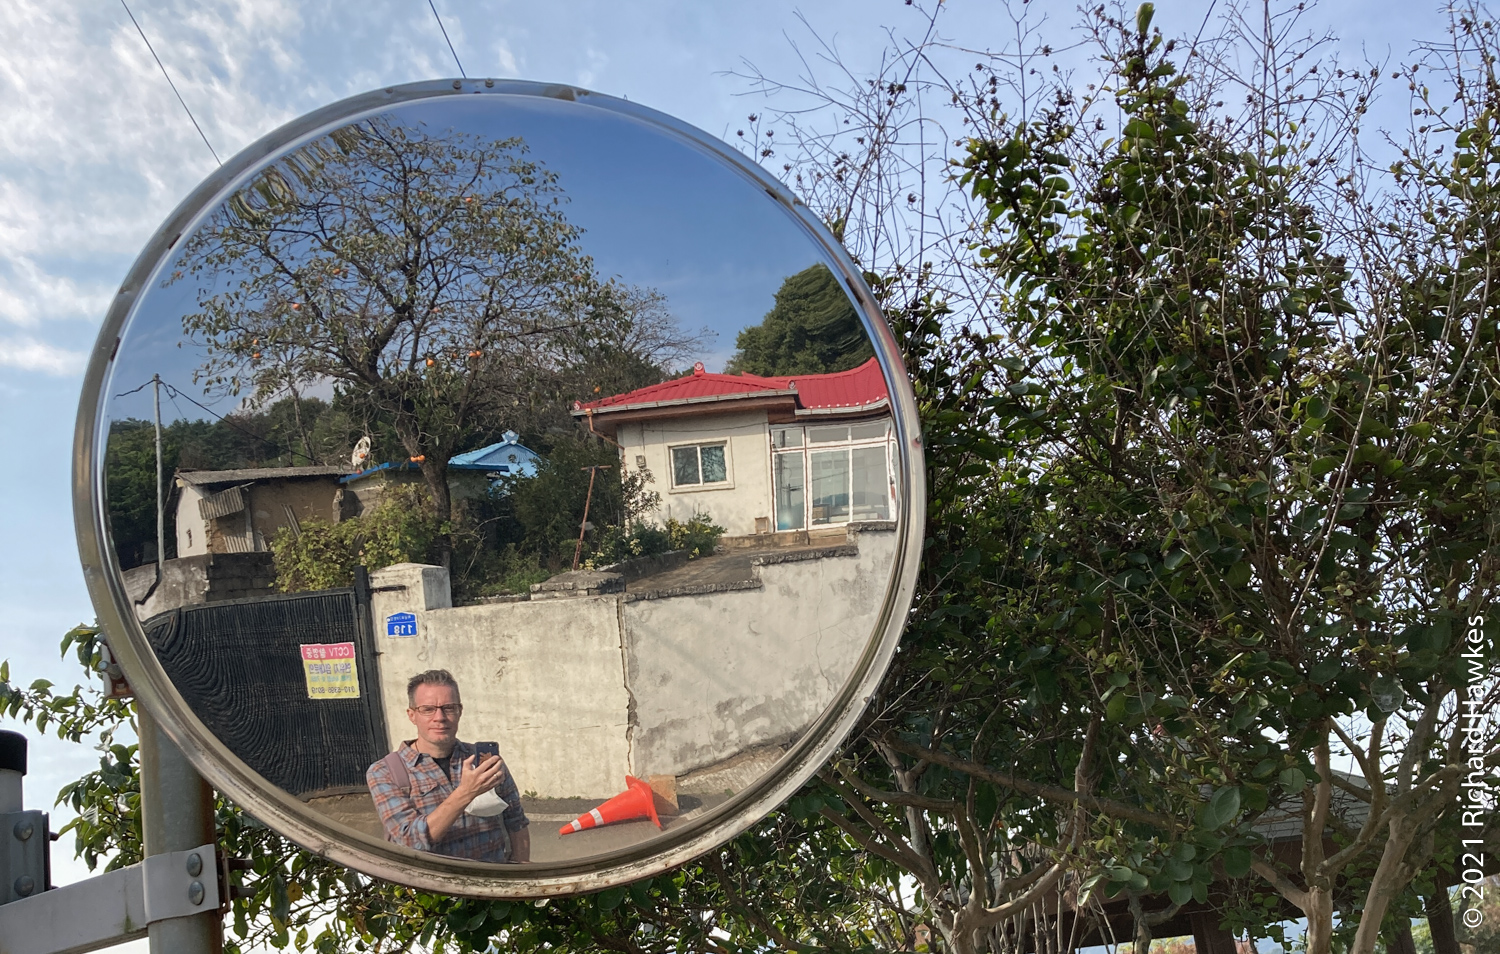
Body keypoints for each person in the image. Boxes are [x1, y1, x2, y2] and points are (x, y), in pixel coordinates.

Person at [366, 669, 530, 862]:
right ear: (412, 715)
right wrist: (466, 792)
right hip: (430, 880)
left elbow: (516, 820)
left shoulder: (484, 761)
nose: (439, 717)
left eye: (449, 708)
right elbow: (409, 841)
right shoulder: (386, 772)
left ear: (460, 711)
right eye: (427, 709)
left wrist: (520, 868)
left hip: (491, 877)